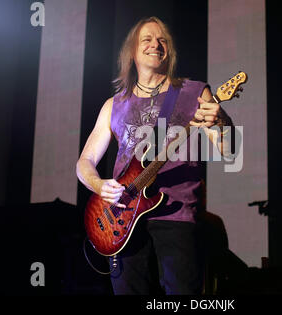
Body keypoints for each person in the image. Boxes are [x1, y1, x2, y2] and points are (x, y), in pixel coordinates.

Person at [76, 16, 234, 295]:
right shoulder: (114, 105)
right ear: (132, 51)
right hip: (121, 221)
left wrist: (220, 119)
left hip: (177, 216)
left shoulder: (194, 91)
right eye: (147, 39)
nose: (156, 44)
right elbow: (84, 163)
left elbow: (229, 150)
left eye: (162, 40)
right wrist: (100, 186)